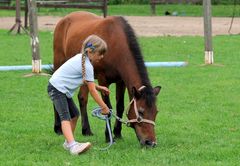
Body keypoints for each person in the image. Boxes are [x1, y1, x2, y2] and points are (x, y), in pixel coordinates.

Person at [47, 35, 110, 155]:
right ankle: (72, 146)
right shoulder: (87, 65)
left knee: (75, 115)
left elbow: (87, 82)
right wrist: (104, 107)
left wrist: (99, 87)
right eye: (100, 54)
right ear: (90, 51)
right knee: (65, 117)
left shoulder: (82, 60)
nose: (102, 57)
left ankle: (68, 142)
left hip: (61, 89)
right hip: (56, 88)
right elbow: (92, 91)